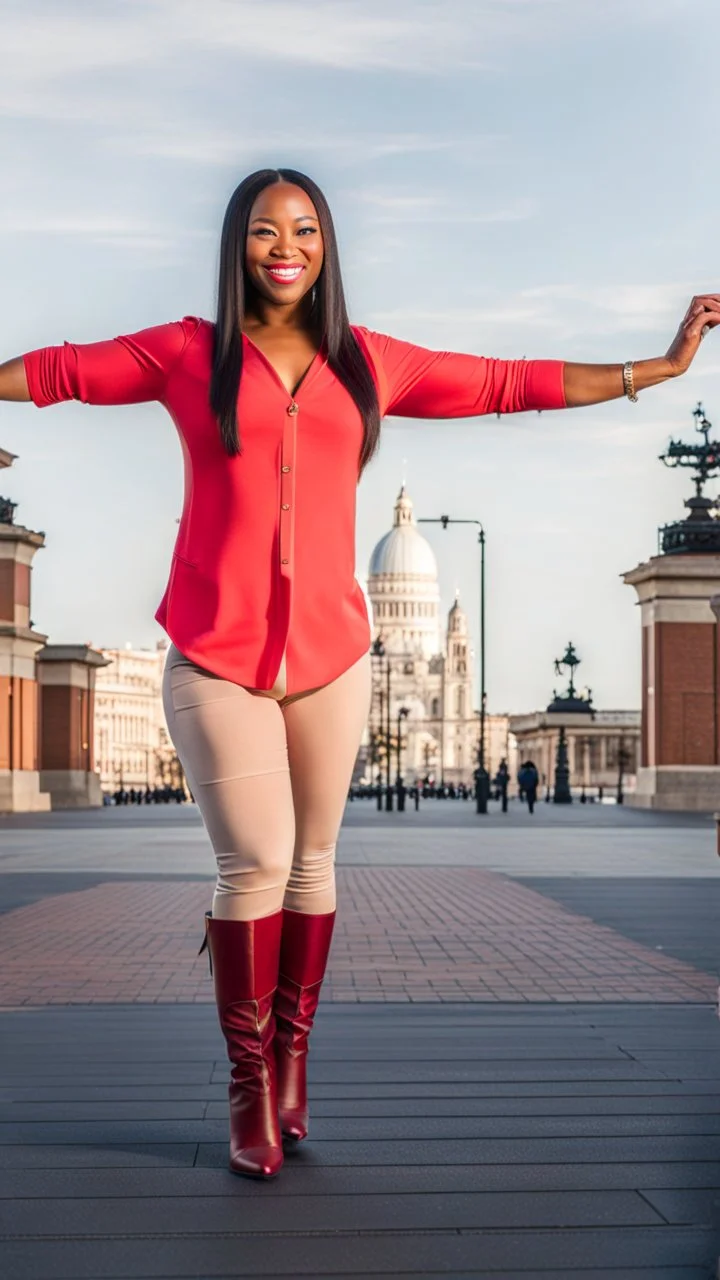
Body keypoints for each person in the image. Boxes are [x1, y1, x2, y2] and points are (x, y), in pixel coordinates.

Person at [1, 168, 717, 1181]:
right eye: (263, 229)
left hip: (333, 656)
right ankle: (249, 1083)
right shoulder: (186, 353)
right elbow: (64, 370)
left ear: (326, 244)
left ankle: (295, 1057)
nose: (283, 246)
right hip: (216, 651)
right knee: (251, 860)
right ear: (236, 244)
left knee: (311, 864)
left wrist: (659, 365)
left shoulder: (368, 362)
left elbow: (509, 383)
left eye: (303, 228)